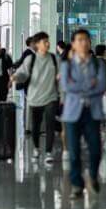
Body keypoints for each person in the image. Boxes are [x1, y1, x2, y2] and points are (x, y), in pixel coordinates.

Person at [58, 29, 106, 199]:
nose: (83, 43)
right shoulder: (67, 65)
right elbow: (66, 86)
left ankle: (93, 176)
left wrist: (80, 86)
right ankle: (77, 185)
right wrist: (90, 85)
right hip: (72, 113)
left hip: (92, 112)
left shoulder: (98, 64)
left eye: (86, 39)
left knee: (95, 149)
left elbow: (102, 85)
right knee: (74, 152)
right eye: (79, 40)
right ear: (73, 44)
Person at [15, 32, 61, 163]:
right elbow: (22, 73)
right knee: (36, 125)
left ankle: (48, 152)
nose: (47, 44)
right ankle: (36, 148)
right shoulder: (31, 59)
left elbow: (61, 73)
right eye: (44, 41)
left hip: (51, 96)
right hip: (35, 97)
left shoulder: (54, 59)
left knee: (50, 124)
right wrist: (15, 77)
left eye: (48, 41)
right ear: (37, 44)